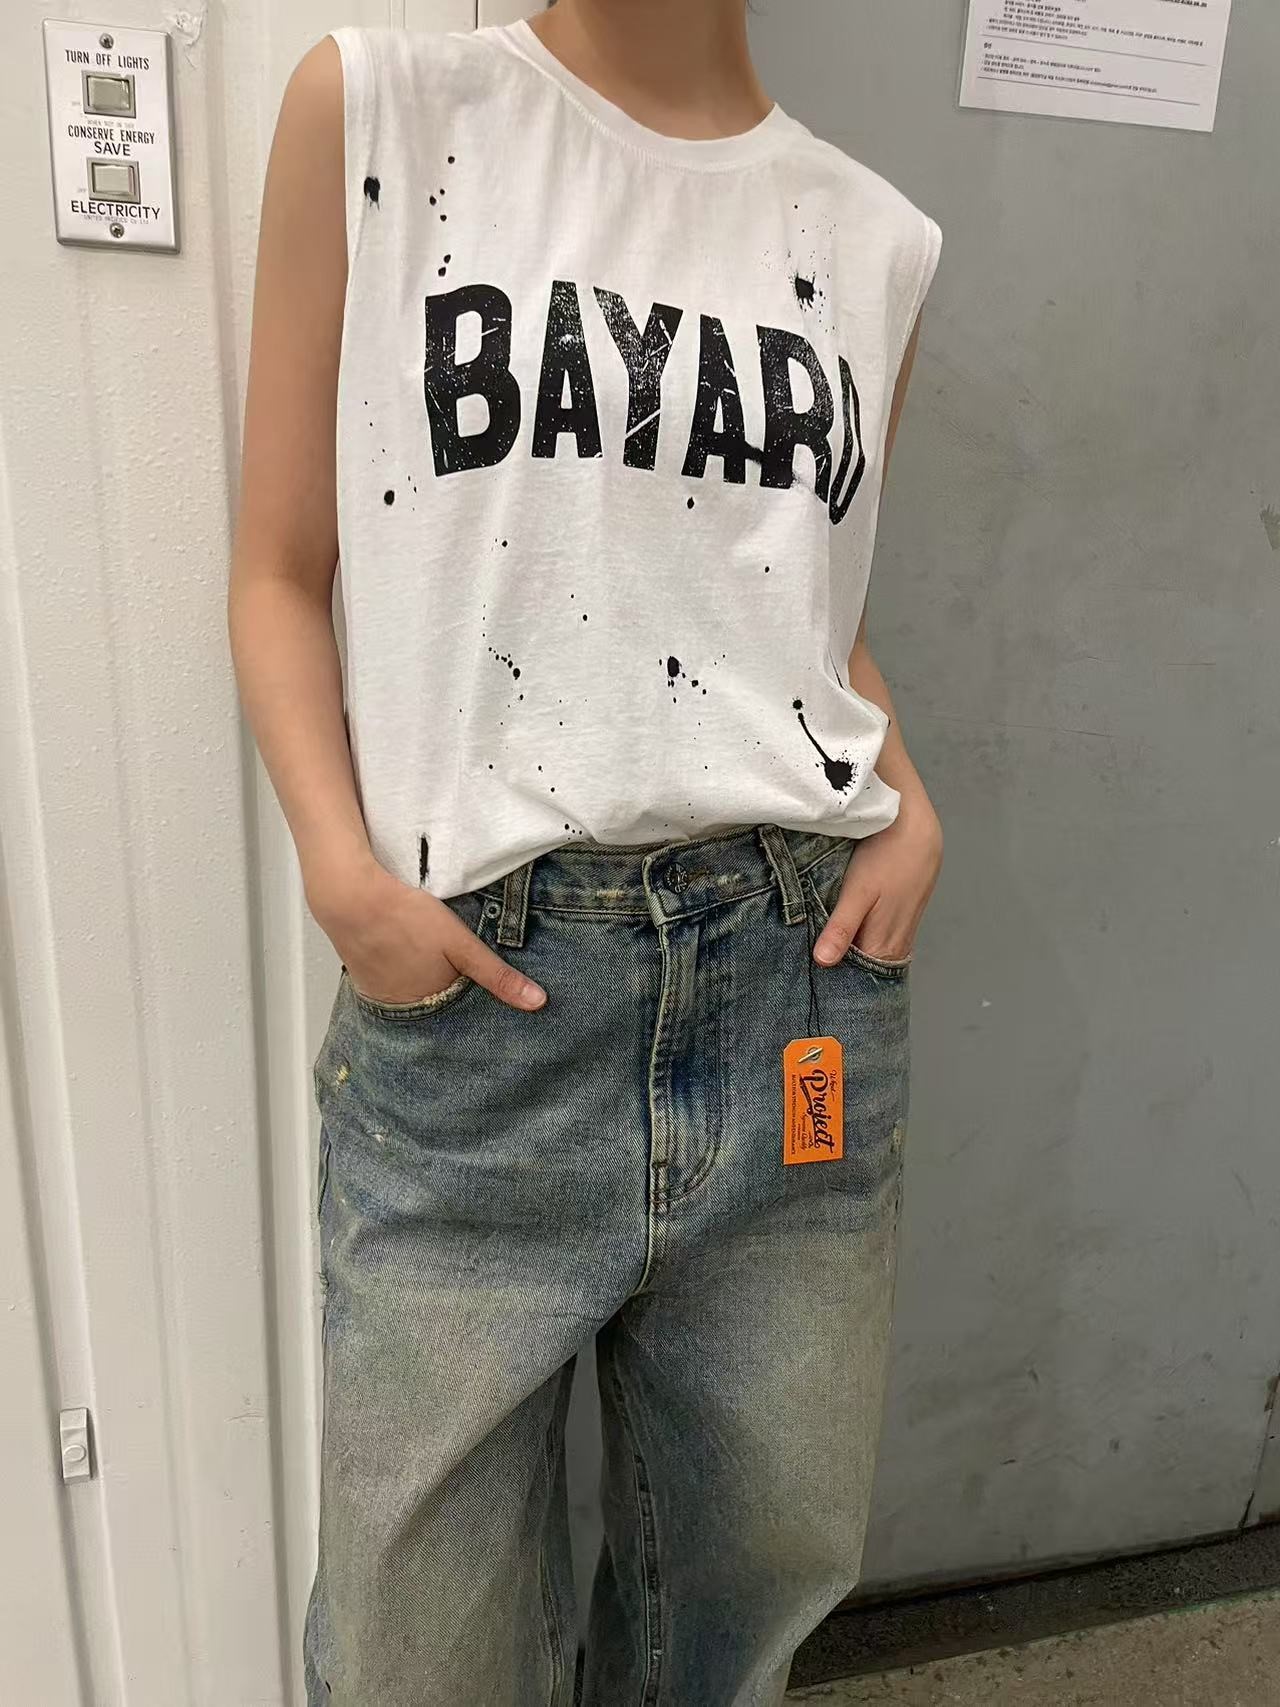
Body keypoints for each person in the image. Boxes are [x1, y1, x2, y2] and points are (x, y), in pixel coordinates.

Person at [228, 3, 943, 1702]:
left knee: (738, 1620)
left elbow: (808, 614)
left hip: (797, 994)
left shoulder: (874, 238)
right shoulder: (384, 110)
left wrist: (914, 802)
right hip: (484, 1008)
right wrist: (342, 874)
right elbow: (276, 569)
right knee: (418, 1656)